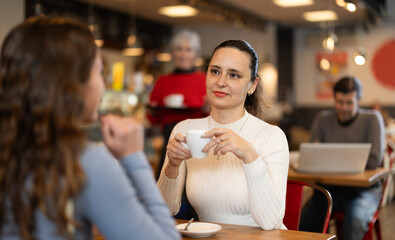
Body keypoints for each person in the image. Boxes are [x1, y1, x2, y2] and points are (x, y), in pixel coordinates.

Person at [0, 16, 179, 240]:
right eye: (99, 72)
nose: (103, 85)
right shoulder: (84, 162)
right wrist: (134, 158)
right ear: (73, 83)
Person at [157, 40, 289, 230]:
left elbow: (270, 223)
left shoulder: (271, 136)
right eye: (215, 71)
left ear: (252, 85)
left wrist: (249, 156)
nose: (221, 82)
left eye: (233, 75)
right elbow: (165, 211)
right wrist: (172, 165)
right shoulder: (184, 131)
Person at [302, 76, 385, 239]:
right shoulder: (323, 119)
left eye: (349, 103)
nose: (344, 108)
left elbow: (374, 161)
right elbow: (311, 158)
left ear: (358, 100)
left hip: (364, 191)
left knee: (355, 220)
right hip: (329, 189)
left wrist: (325, 158)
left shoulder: (372, 119)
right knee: (304, 222)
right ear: (334, 99)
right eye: (340, 102)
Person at [148, 30, 208, 179]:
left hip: (197, 145)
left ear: (195, 54)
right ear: (172, 52)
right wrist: (153, 110)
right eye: (179, 49)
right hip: (169, 141)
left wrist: (209, 108)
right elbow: (152, 118)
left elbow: (212, 116)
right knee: (165, 183)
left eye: (188, 50)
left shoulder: (204, 80)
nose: (183, 54)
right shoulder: (163, 81)